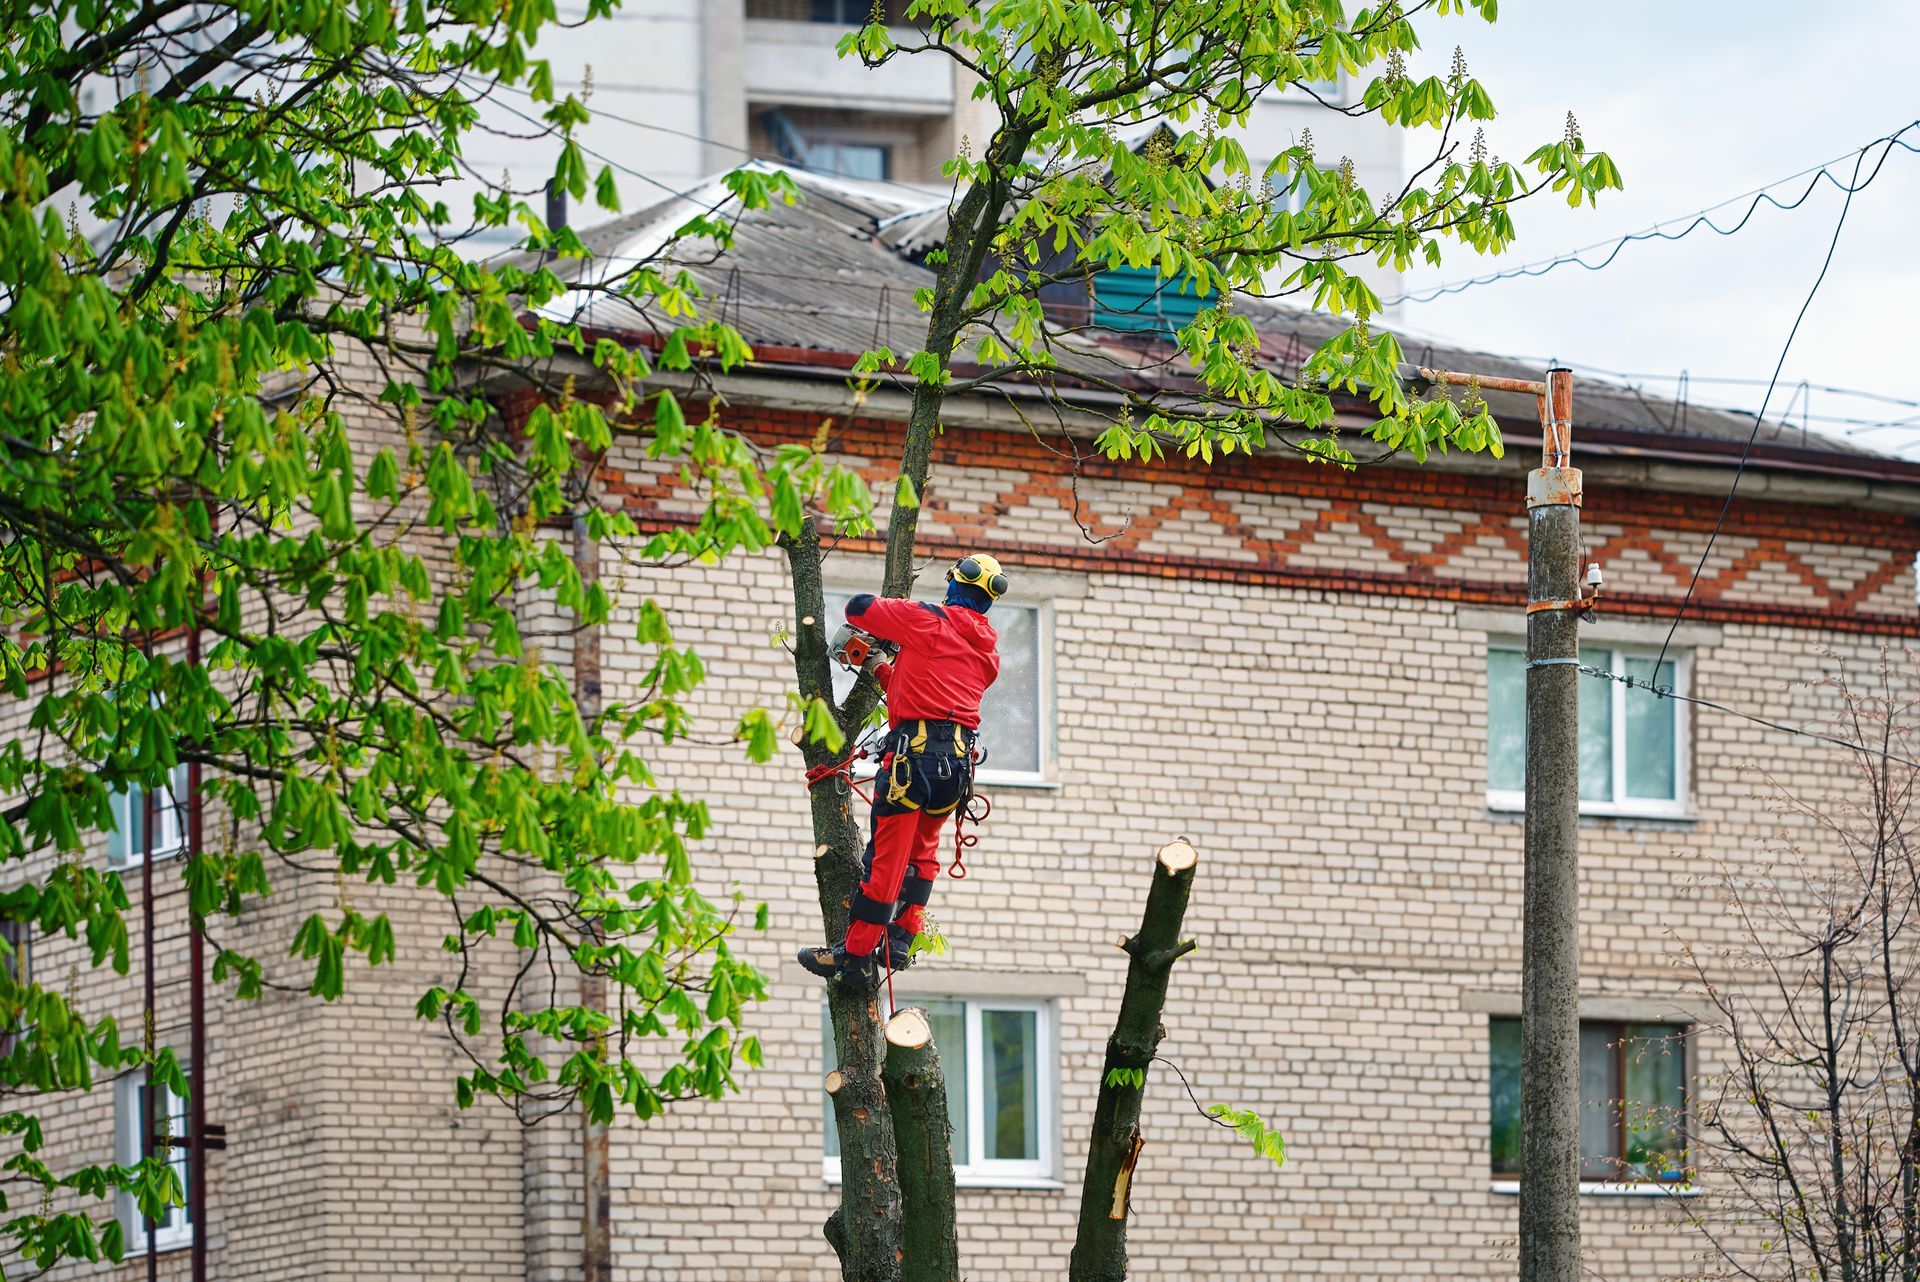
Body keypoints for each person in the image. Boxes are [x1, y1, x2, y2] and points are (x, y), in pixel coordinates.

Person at [797, 553, 1008, 981]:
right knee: (924, 852)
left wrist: (900, 620)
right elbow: (924, 692)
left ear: (953, 584)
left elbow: (857, 607)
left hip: (911, 763)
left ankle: (853, 958)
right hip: (955, 768)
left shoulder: (929, 621)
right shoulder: (987, 655)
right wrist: (879, 666)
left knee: (886, 863)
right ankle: (899, 941)